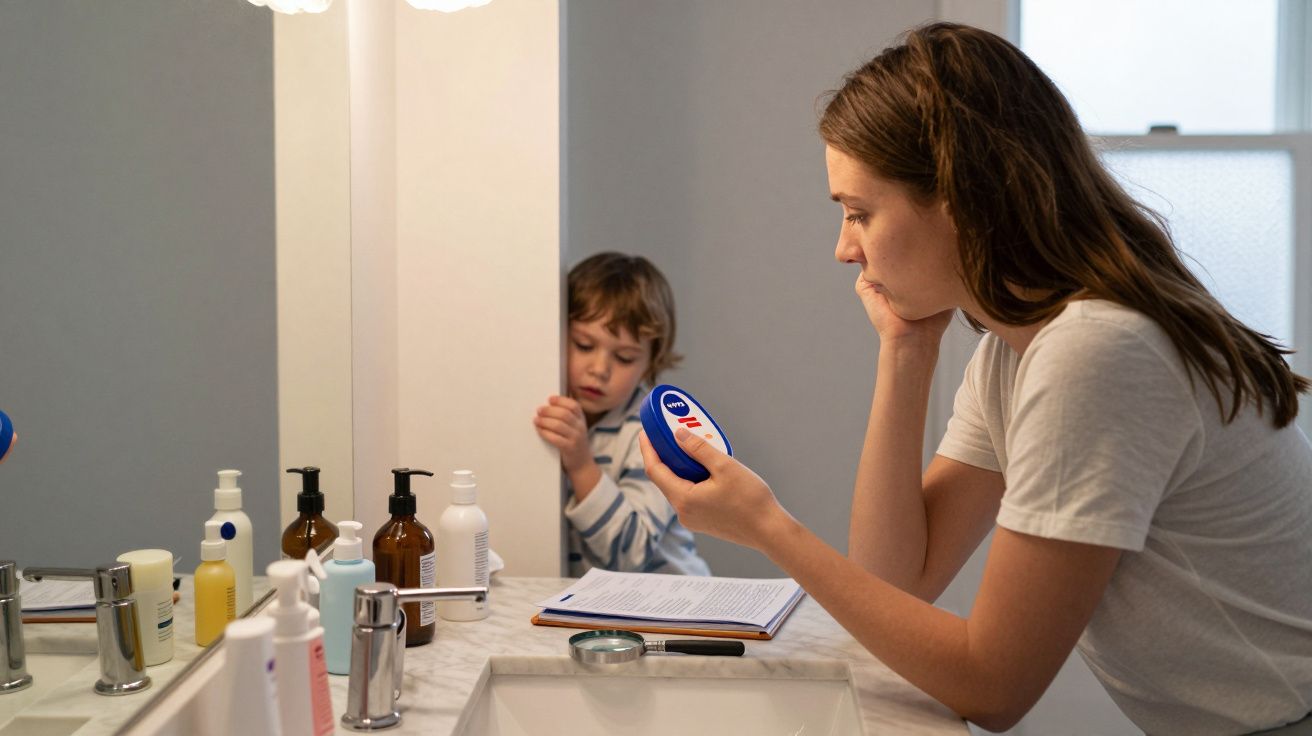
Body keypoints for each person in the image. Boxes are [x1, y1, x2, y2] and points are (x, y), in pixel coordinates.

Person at [639, 22, 1312, 736]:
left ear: (962, 200)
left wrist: (769, 528)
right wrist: (905, 353)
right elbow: (898, 582)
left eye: (860, 213)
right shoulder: (1015, 354)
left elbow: (992, 688)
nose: (843, 249)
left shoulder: (1097, 353)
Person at [534, 252, 710, 577]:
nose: (599, 369)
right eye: (584, 345)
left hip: (674, 604)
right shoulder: (557, 413)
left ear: (650, 364)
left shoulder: (656, 436)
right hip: (602, 606)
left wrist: (580, 464)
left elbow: (630, 554)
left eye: (625, 358)